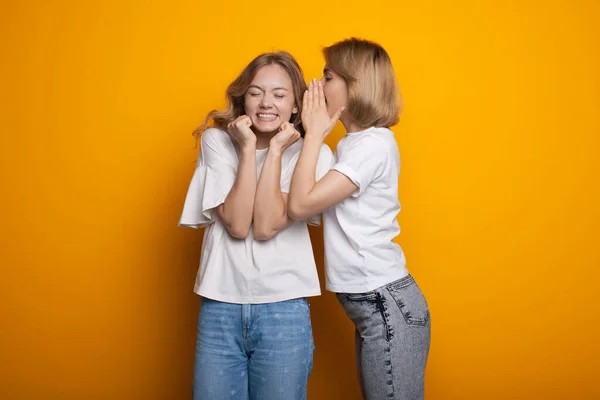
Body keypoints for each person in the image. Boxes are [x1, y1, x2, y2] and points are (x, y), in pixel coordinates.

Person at [178, 51, 333, 400]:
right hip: (220, 306)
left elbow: (264, 225)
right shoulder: (217, 142)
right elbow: (236, 222)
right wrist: (248, 149)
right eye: (255, 92)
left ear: (296, 105)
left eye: (279, 95)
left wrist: (276, 150)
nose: (266, 103)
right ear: (243, 98)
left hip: (284, 310)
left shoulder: (314, 154)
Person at [288, 38, 431, 400]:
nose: (316, 86)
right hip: (377, 305)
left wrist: (315, 132)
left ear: (356, 86)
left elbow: (300, 205)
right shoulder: (352, 145)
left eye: (328, 76)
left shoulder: (373, 144)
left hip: (385, 303)